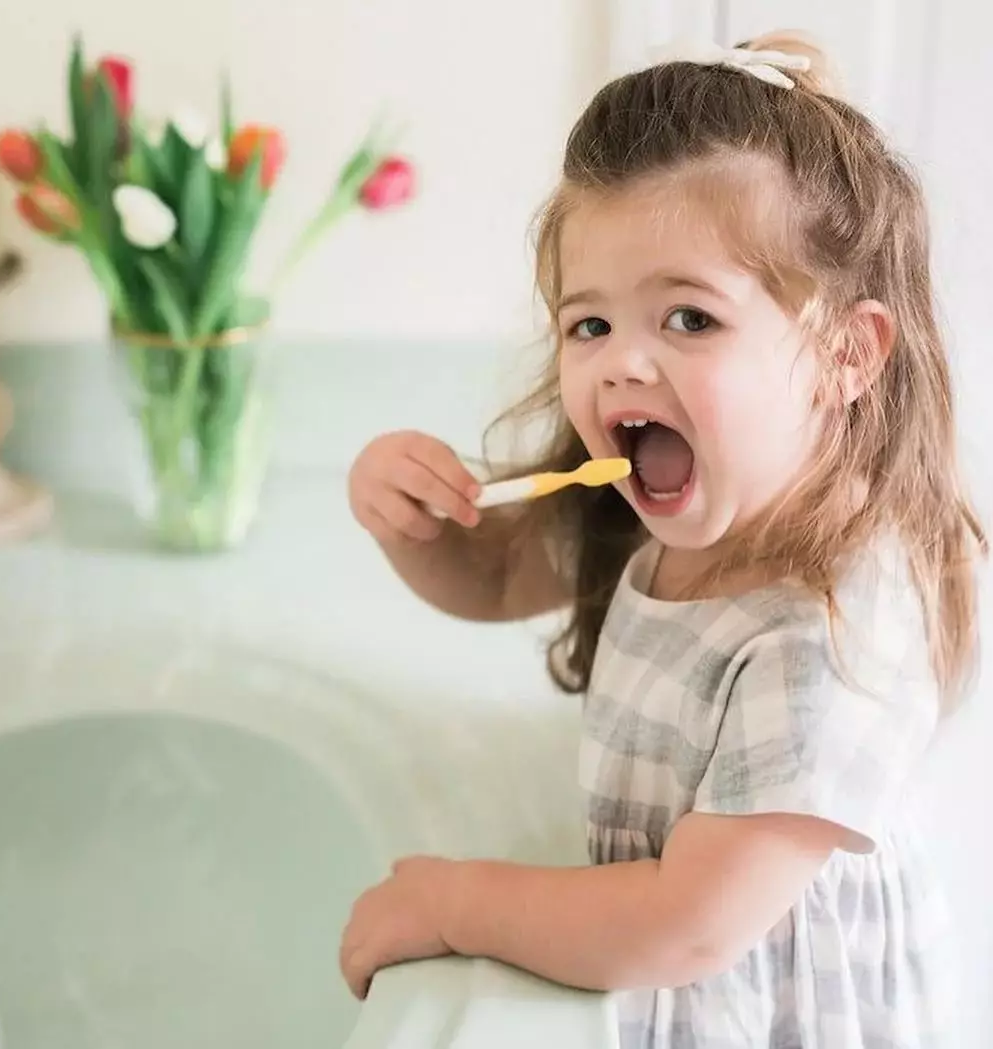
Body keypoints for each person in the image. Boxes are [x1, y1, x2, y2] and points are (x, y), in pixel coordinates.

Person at [339, 29, 986, 1048]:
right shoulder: (642, 501)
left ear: (843, 355)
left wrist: (451, 900)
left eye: (687, 319)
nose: (619, 365)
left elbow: (688, 926)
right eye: (587, 324)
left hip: (773, 1002)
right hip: (657, 951)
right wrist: (405, 517)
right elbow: (494, 571)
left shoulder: (825, 627)